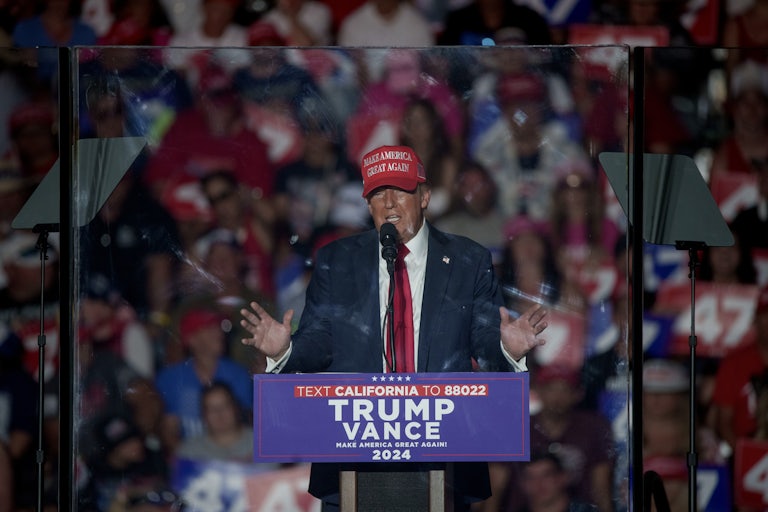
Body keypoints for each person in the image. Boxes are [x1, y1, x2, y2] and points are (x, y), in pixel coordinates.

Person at [240, 144, 548, 511]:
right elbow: (320, 341)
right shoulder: (336, 260)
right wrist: (284, 350)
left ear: (425, 197)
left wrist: (508, 350)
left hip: (442, 456)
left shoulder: (468, 260)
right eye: (376, 193)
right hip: (352, 456)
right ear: (366, 204)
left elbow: (483, 343)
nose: (388, 203)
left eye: (399, 191)